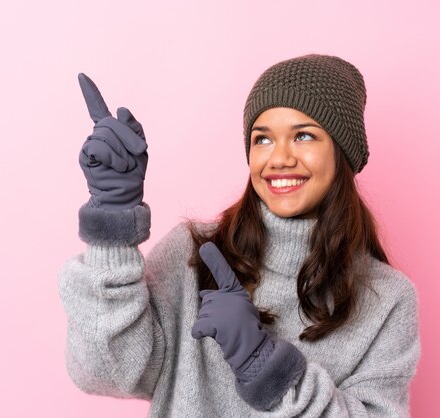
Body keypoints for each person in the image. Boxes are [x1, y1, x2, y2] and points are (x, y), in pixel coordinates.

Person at [58, 54, 421, 417]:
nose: (279, 158)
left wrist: (264, 365)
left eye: (304, 135)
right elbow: (102, 373)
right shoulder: (194, 254)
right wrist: (112, 229)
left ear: (343, 153)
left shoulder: (387, 299)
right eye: (262, 139)